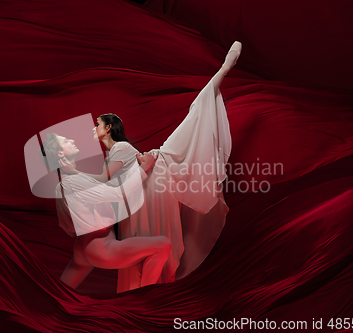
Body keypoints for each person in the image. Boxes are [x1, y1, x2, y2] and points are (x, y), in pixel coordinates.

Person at [59, 41, 242, 292]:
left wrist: (72, 172)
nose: (94, 128)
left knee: (190, 126)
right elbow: (108, 188)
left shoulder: (120, 149)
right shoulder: (114, 153)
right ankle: (148, 295)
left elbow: (105, 182)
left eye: (98, 124)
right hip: (145, 188)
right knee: (154, 247)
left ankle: (219, 75)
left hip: (151, 180)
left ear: (109, 128)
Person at [40, 133, 171, 289]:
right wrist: (145, 167)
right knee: (163, 245)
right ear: (60, 153)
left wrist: (72, 170)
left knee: (60, 292)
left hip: (84, 246)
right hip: (101, 246)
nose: (72, 140)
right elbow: (118, 193)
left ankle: (43, 308)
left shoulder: (64, 183)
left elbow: (104, 185)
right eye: (67, 141)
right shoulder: (74, 182)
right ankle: (145, 300)